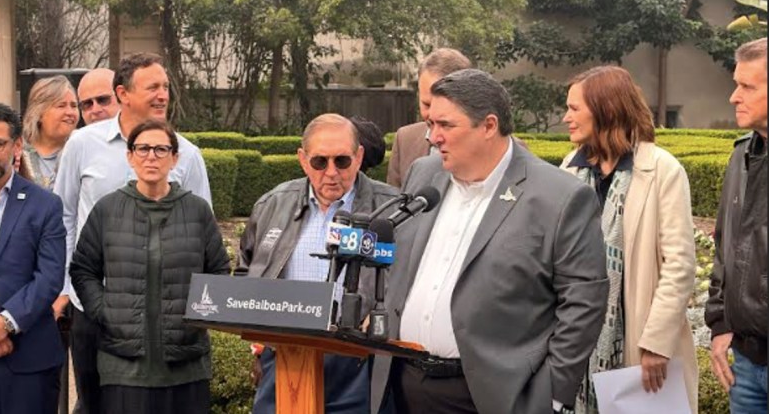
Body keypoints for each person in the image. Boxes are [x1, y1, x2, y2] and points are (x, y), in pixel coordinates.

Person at [371, 69, 608, 414]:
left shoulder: (560, 197)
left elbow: (584, 303)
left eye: (446, 125)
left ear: (488, 126)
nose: (433, 137)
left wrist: (551, 395)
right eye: (430, 124)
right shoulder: (424, 174)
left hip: (494, 398)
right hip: (404, 385)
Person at [54, 52, 212, 414]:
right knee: (95, 406)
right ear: (123, 93)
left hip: (166, 322)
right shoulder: (82, 145)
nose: (163, 95)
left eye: (166, 87)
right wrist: (67, 289)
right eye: (153, 87)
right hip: (93, 312)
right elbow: (63, 216)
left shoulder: (187, 155)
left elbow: (203, 237)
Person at [237, 113, 399, 414]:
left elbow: (411, 281)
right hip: (284, 358)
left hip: (361, 364)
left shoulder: (391, 209)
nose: (331, 172)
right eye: (319, 162)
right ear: (302, 159)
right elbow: (244, 270)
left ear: (359, 156)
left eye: (342, 161)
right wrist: (257, 337)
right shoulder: (273, 204)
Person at [560, 66, 698, 413]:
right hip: (578, 341)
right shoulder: (570, 170)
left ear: (606, 109)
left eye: (574, 109)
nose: (566, 118)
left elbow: (679, 265)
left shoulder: (662, 170)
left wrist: (657, 342)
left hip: (639, 342)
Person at [70, 120, 230, 414]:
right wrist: (104, 311)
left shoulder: (196, 211)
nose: (151, 156)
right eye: (142, 149)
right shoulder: (108, 209)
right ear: (130, 156)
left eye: (160, 149)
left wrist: (199, 316)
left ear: (175, 158)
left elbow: (218, 270)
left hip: (186, 364)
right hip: (124, 366)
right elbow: (83, 269)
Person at [0, 103, 66, 414]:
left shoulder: (45, 205)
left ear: (17, 145)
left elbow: (49, 278)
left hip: (28, 361)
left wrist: (5, 324)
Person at [705, 37, 767, 413]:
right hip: (746, 365)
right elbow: (725, 246)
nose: (734, 96)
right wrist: (720, 322)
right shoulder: (742, 154)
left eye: (747, 86)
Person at [386, 48, 471, 187]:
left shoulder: (505, 150)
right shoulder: (405, 140)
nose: (432, 115)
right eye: (427, 104)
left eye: (441, 106)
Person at [20, 75, 79, 191]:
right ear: (39, 113)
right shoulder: (18, 153)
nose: (70, 112)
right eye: (61, 106)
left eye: (74, 105)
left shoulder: (81, 149)